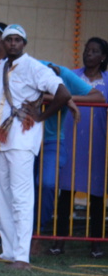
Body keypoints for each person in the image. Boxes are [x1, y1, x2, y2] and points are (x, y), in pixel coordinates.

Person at [0, 24, 70, 270]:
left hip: (23, 141)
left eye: (17, 39)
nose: (12, 43)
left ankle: (22, 256)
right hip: (0, 139)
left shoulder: (35, 67)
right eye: (8, 40)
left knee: (22, 197)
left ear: (24, 43)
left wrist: (41, 117)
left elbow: (63, 93)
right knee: (3, 196)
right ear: (3, 43)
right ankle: (9, 251)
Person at [52, 37, 108, 258]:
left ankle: (95, 243)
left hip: (96, 143)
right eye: (87, 50)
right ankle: (59, 241)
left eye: (94, 51)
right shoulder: (72, 75)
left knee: (96, 195)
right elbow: (58, 95)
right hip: (71, 139)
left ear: (103, 57)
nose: (89, 54)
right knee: (66, 193)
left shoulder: (106, 80)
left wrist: (70, 98)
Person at [33, 60, 102, 233]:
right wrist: (62, 100)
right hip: (24, 139)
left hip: (52, 140)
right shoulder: (29, 67)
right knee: (23, 185)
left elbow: (99, 97)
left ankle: (39, 231)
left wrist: (67, 98)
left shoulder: (63, 72)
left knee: (47, 184)